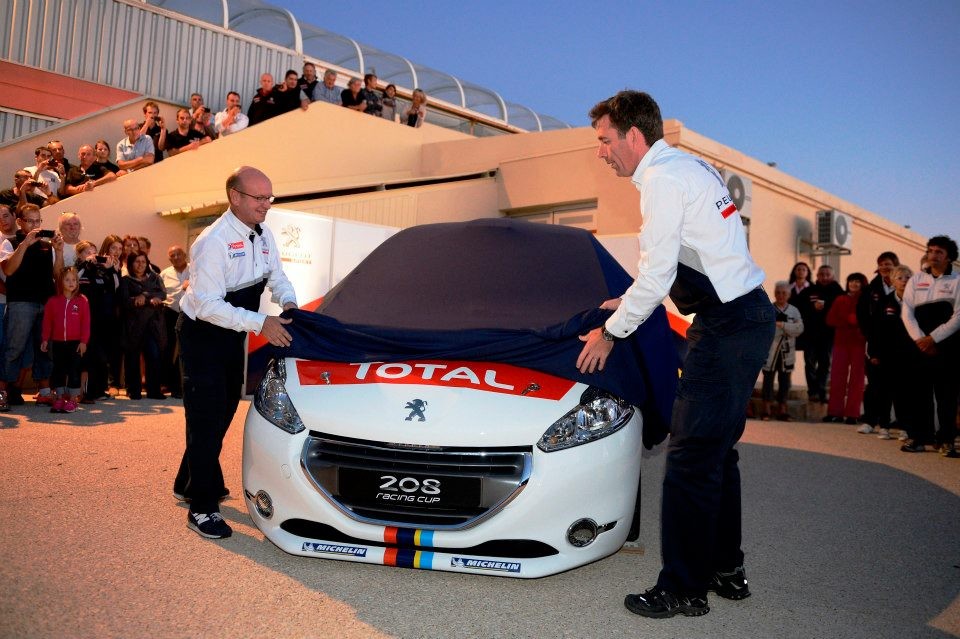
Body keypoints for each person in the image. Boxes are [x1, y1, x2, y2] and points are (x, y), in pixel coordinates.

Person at [575, 91, 774, 618]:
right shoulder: (689, 167)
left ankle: (684, 588)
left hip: (729, 325)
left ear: (633, 136)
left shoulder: (662, 179)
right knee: (714, 453)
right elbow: (684, 257)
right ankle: (725, 570)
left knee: (688, 459)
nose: (601, 151)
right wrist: (631, 299)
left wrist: (610, 332)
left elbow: (662, 270)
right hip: (744, 316)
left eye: (605, 140)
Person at [173, 166, 298, 540]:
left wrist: (289, 303)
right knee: (206, 418)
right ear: (235, 197)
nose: (267, 205)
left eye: (269, 197)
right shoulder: (212, 242)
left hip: (231, 336)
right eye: (260, 198)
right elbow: (208, 305)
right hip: (202, 336)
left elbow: (276, 276)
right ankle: (202, 507)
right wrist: (261, 323)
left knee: (224, 410)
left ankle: (188, 481)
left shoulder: (265, 235)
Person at [900, 236, 960, 457]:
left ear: (949, 256)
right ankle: (919, 438)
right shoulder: (916, 279)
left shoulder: (958, 280)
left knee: (947, 394)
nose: (932, 255)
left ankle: (946, 441)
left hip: (948, 346)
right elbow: (906, 311)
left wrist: (933, 339)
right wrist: (920, 339)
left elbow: (959, 316)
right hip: (919, 345)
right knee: (919, 393)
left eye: (938, 252)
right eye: (930, 250)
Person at [0, 204, 64, 410]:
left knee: (45, 347)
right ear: (20, 222)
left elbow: (58, 275)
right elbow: (8, 270)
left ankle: (44, 391)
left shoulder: (47, 246)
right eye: (30, 221)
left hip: (45, 302)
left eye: (38, 221)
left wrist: (59, 251)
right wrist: (25, 244)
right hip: (20, 302)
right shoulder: (9, 243)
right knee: (14, 347)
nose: (35, 225)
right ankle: (2, 390)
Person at [872, 265, 916, 440]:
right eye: (900, 278)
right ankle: (884, 425)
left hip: (908, 354)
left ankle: (904, 426)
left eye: (907, 278)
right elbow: (875, 329)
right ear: (892, 281)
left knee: (904, 392)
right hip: (886, 354)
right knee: (885, 391)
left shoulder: (916, 302)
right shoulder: (884, 302)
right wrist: (874, 353)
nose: (904, 281)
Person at [857, 252, 899, 433]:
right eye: (881, 264)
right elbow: (862, 315)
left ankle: (891, 423)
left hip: (898, 344)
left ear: (895, 265)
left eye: (888, 264)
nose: (884, 267)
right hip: (874, 343)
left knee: (894, 385)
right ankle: (869, 421)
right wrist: (870, 337)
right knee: (874, 385)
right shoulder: (870, 289)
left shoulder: (903, 285)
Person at [118, 251, 166, 401]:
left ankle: (154, 391)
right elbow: (125, 301)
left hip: (153, 325)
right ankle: (134, 390)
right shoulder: (125, 280)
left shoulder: (155, 277)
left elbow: (162, 294)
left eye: (143, 262)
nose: (140, 265)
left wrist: (143, 296)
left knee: (154, 355)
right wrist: (147, 299)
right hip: (133, 325)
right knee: (132, 358)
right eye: (137, 262)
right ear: (131, 263)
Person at [41, 266, 89, 413]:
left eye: (74, 280)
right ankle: (60, 398)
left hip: (75, 343)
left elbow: (86, 323)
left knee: (74, 370)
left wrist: (83, 341)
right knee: (59, 370)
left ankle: (73, 399)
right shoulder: (53, 301)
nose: (71, 283)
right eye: (67, 280)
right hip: (58, 342)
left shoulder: (82, 301)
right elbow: (47, 322)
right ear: (60, 282)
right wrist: (44, 339)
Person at [822, 272, 868, 425]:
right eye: (851, 281)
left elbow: (867, 320)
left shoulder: (865, 300)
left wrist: (854, 321)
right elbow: (830, 319)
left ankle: (852, 414)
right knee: (837, 377)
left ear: (862, 284)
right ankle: (834, 412)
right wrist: (849, 320)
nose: (853, 284)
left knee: (857, 379)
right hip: (841, 342)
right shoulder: (840, 299)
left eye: (857, 282)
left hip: (859, 343)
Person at [76, 240, 117, 404]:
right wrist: (86, 264)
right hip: (82, 320)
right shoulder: (79, 269)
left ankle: (98, 390)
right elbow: (73, 282)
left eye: (94, 252)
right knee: (85, 358)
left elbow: (115, 287)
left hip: (102, 320)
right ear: (80, 255)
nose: (92, 256)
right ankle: (82, 392)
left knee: (101, 357)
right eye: (87, 252)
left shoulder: (102, 271)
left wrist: (110, 269)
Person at [796, 264, 844, 404]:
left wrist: (827, 305)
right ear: (817, 276)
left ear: (833, 276)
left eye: (827, 274)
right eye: (821, 274)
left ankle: (822, 391)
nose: (824, 277)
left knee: (825, 364)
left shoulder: (838, 291)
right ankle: (813, 392)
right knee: (809, 363)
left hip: (828, 335)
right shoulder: (809, 290)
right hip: (810, 334)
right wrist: (812, 307)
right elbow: (799, 307)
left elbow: (841, 309)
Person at [761, 281, 804, 421]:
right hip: (770, 352)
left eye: (784, 292)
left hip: (787, 353)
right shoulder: (769, 308)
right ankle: (766, 409)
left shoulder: (794, 310)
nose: (781, 295)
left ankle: (783, 410)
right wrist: (784, 328)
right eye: (778, 292)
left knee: (785, 382)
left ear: (789, 294)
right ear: (774, 293)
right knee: (768, 380)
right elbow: (766, 329)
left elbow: (799, 329)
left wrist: (782, 325)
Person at [159, 245, 188, 398]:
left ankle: (180, 384)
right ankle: (166, 383)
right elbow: (160, 293)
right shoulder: (164, 274)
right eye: (172, 255)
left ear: (185, 254)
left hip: (189, 314)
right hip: (169, 313)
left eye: (178, 254)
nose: (175, 257)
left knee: (184, 349)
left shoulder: (194, 270)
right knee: (167, 348)